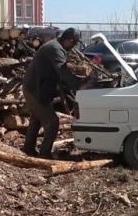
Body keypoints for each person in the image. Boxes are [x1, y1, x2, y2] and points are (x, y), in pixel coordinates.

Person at [22, 27, 89, 158]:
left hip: (35, 87)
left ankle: (28, 149)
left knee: (36, 119)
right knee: (52, 122)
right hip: (34, 89)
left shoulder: (57, 46)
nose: (74, 46)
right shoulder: (56, 49)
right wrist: (80, 85)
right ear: (68, 41)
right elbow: (63, 72)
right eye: (74, 43)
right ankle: (44, 155)